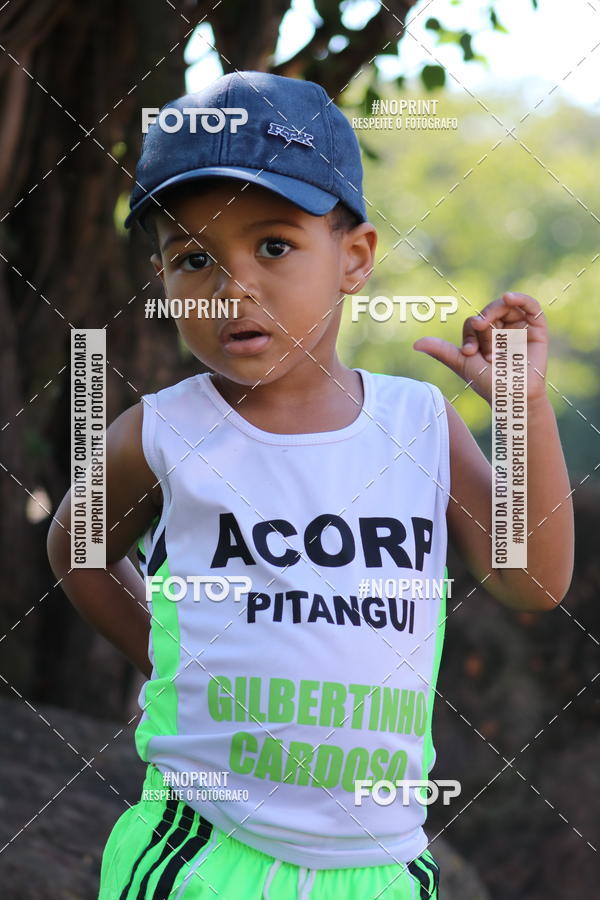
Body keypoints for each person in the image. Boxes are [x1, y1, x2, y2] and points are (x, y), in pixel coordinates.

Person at [47, 70, 574, 899]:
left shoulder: (418, 425)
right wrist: (171, 654)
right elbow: (77, 549)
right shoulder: (163, 430)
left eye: (274, 246)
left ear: (354, 258)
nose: (233, 287)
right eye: (192, 258)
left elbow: (532, 580)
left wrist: (524, 407)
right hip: (199, 848)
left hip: (381, 866)